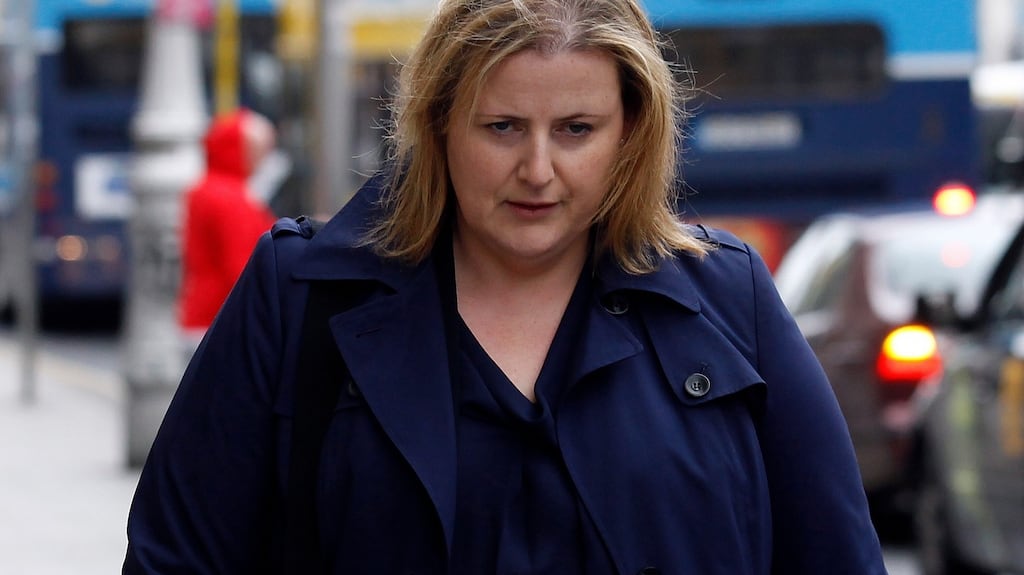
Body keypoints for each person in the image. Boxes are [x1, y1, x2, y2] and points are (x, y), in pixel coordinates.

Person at [124, 0, 889, 573]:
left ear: (631, 132)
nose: (538, 170)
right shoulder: (298, 299)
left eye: (576, 130)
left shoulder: (729, 300)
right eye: (502, 128)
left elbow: (838, 557)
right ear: (438, 124)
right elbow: (174, 558)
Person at [177, 107, 278, 335]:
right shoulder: (231, 199)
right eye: (261, 151)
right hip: (219, 319)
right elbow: (241, 266)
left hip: (203, 313)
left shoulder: (209, 188)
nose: (264, 160)